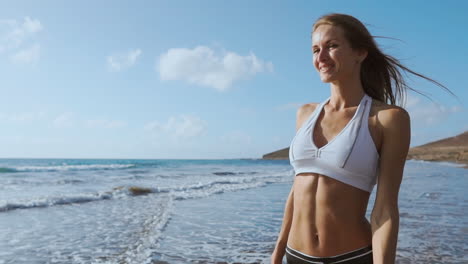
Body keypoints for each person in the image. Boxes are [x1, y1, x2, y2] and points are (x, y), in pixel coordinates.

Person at [271, 13, 453, 264]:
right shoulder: (305, 114)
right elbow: (297, 189)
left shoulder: (388, 119)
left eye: (332, 46)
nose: (320, 57)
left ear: (360, 53)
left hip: (351, 257)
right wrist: (278, 251)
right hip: (295, 255)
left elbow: (385, 209)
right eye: (315, 49)